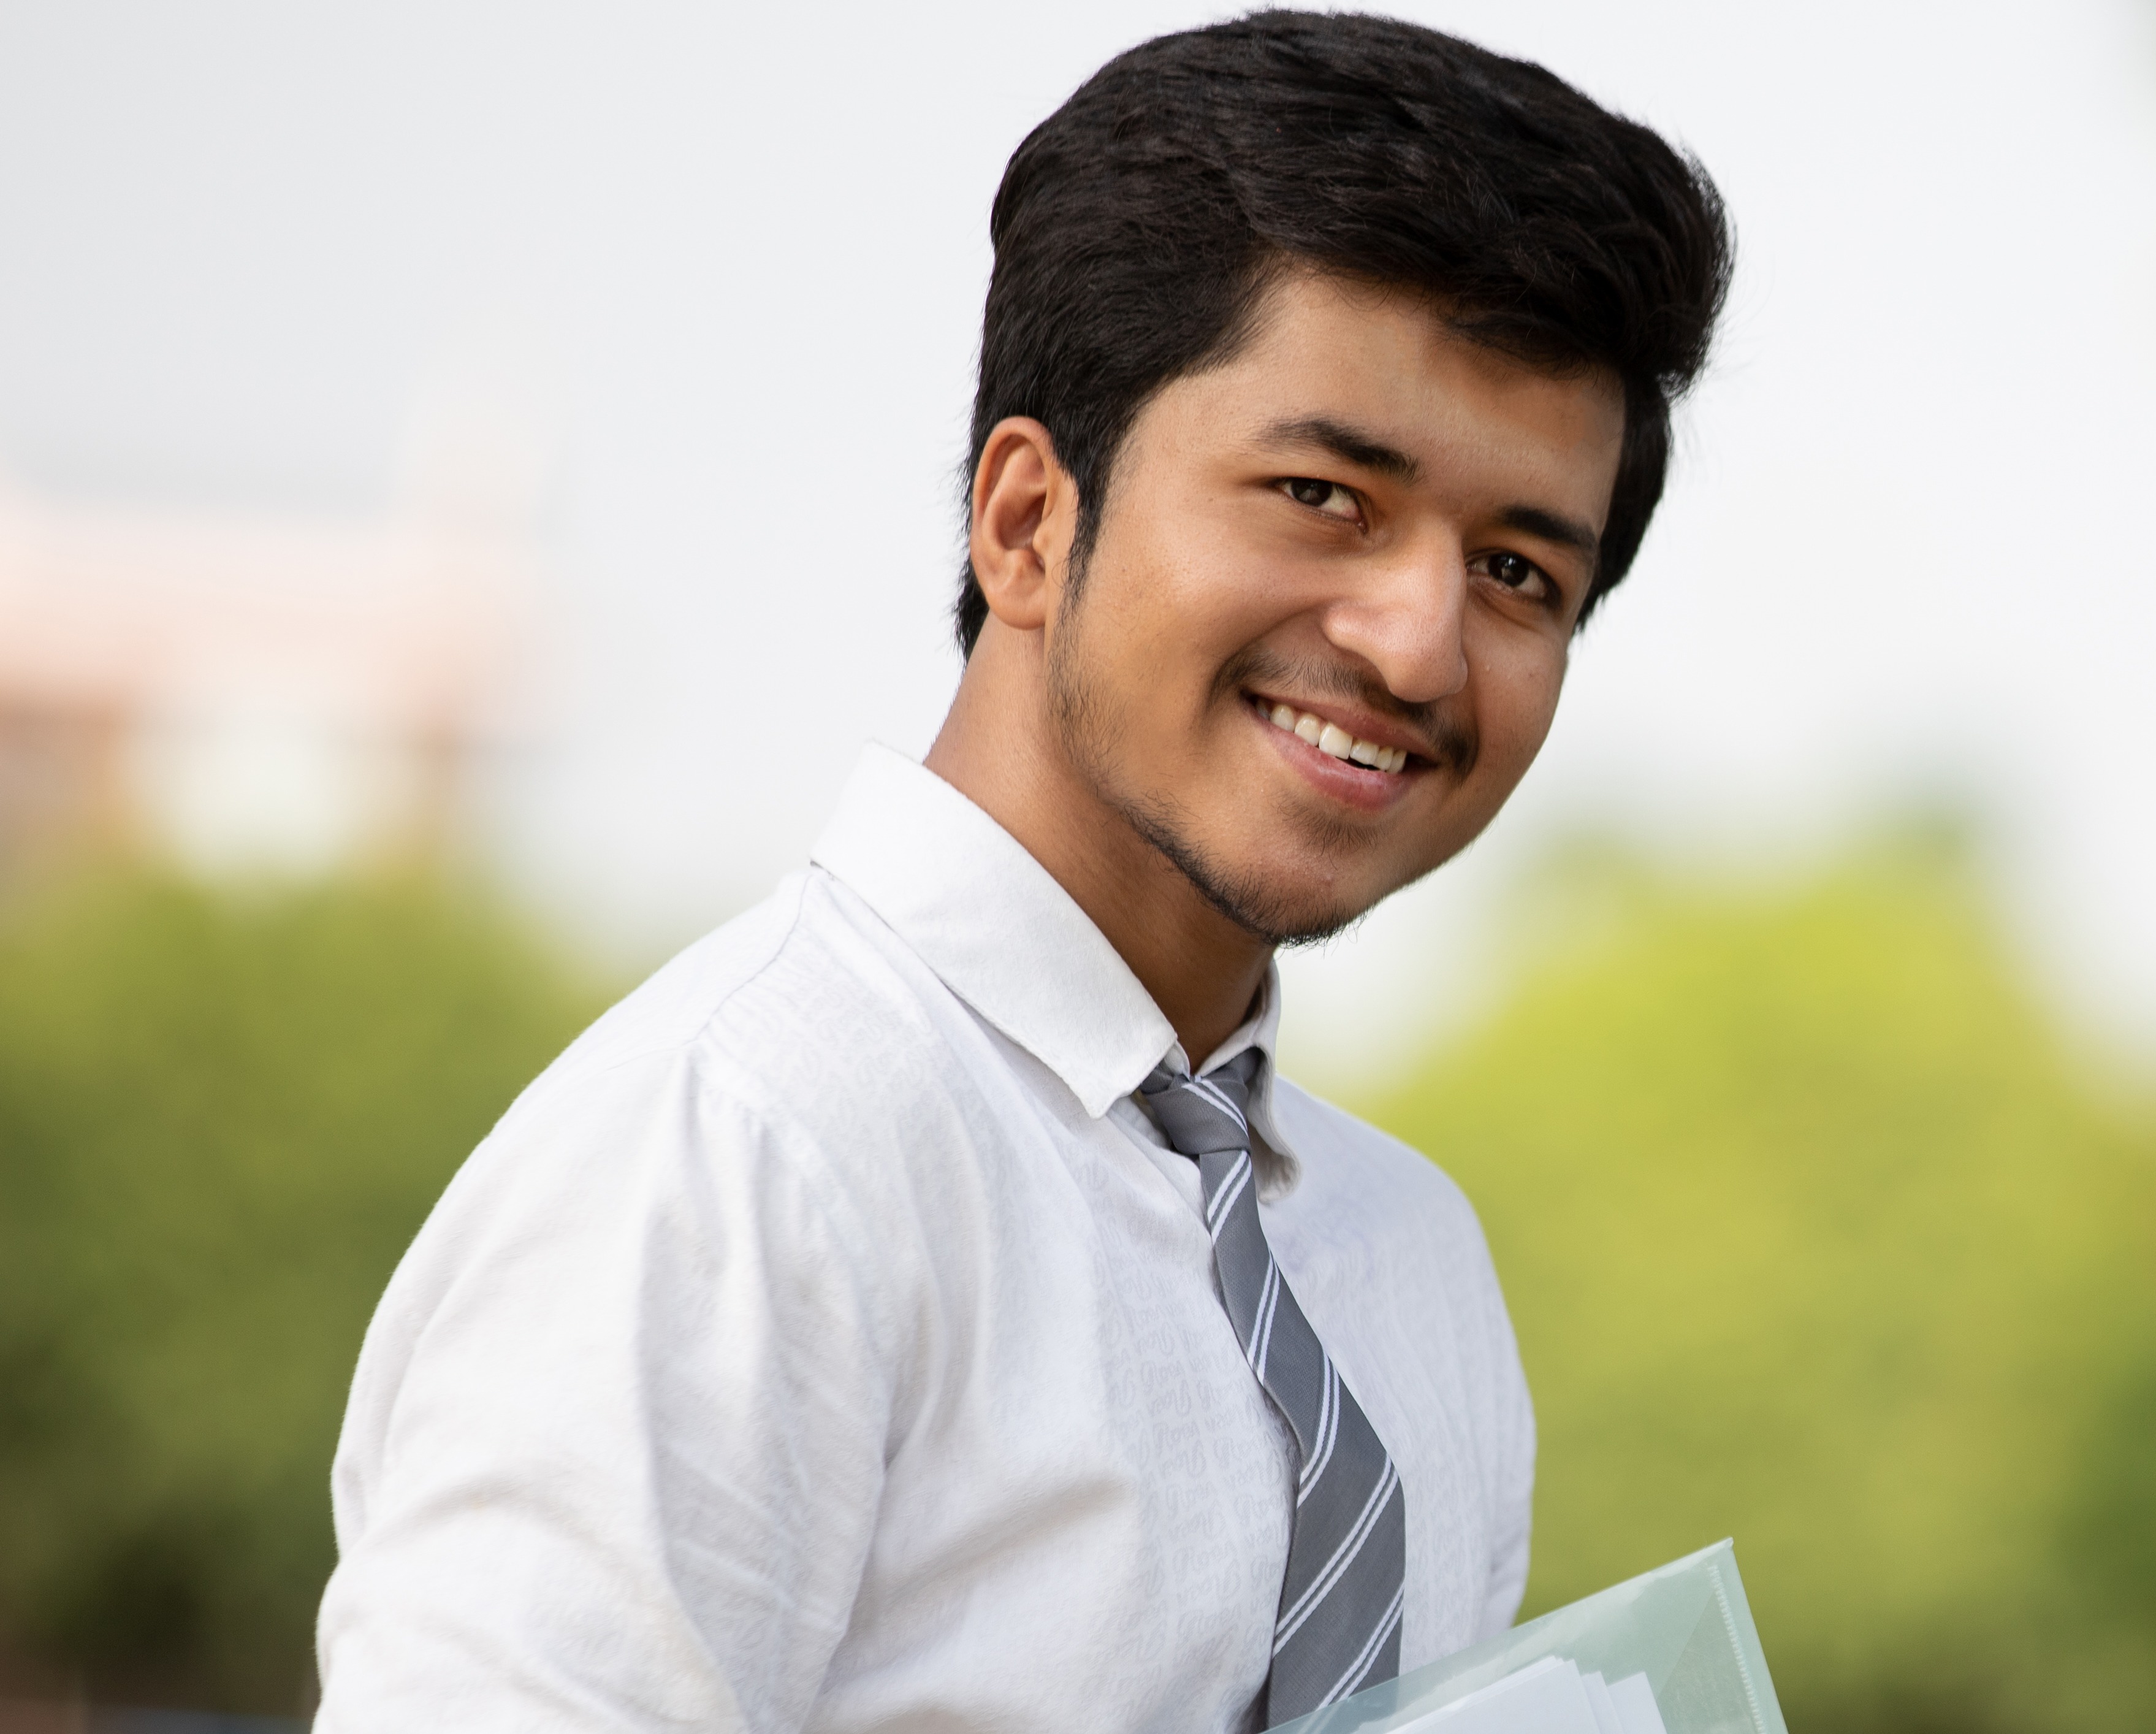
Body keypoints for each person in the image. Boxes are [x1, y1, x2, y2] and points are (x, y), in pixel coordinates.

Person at [311, 13, 1730, 1731]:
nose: (1421, 644)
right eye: (1322, 494)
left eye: (1517, 568)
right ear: (1027, 521)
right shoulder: (745, 1157)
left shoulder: (1405, 1260)